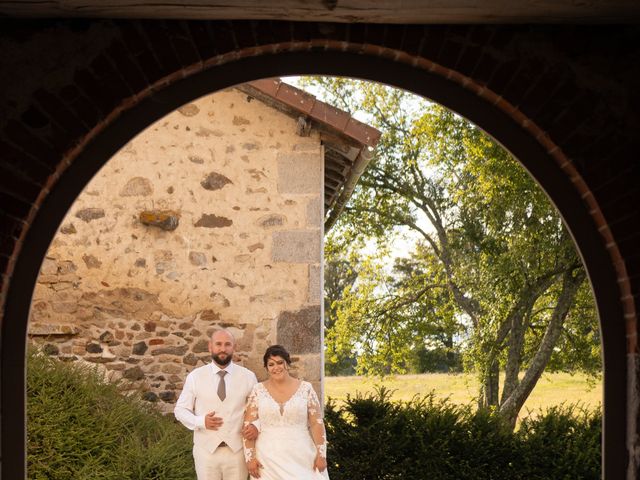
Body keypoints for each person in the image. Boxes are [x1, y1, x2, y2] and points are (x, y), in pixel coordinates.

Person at [175, 329, 259, 480]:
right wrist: (200, 421)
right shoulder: (195, 376)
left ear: (234, 347)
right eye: (218, 344)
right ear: (210, 346)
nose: (223, 348)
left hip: (237, 452)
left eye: (227, 344)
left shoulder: (248, 377)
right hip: (205, 452)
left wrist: (256, 426)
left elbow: (260, 410)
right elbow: (180, 409)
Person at [243, 344, 330, 479]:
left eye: (280, 362)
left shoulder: (306, 389)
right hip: (267, 458)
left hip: (302, 456)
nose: (276, 367)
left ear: (287, 364)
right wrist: (250, 458)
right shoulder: (257, 390)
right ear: (266, 368)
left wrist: (321, 455)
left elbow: (316, 424)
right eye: (271, 364)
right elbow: (247, 427)